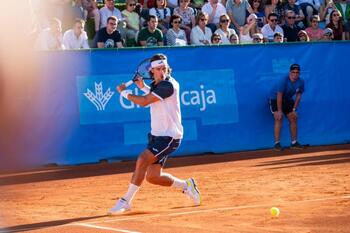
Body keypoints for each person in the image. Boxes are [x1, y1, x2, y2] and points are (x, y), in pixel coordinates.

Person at [110, 54, 201, 214]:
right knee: (153, 177)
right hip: (156, 136)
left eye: (164, 68)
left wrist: (124, 93)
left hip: (169, 137)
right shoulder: (158, 85)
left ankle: (126, 201)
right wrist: (142, 87)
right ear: (151, 70)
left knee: (142, 160)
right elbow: (152, 96)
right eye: (158, 69)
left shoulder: (168, 85)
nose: (162, 72)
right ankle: (187, 185)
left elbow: (145, 101)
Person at [269, 63, 305, 151]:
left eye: (297, 72)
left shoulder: (301, 82)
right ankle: (277, 144)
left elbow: (298, 96)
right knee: (279, 118)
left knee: (293, 117)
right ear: (289, 72)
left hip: (288, 99)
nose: (295, 74)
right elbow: (279, 96)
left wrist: (294, 110)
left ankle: (294, 143)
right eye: (293, 72)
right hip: (275, 98)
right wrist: (280, 111)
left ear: (299, 73)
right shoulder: (283, 80)